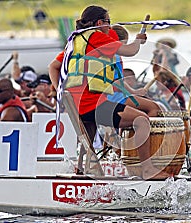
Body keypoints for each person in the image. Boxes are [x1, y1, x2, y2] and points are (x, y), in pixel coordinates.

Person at [49, 5, 169, 179]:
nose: (110, 26)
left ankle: (81, 170)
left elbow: (53, 66)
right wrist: (138, 40)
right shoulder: (98, 36)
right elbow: (131, 51)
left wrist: (61, 92)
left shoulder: (75, 41)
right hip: (93, 105)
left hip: (78, 107)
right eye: (108, 22)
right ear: (99, 23)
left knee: (88, 135)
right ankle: (147, 169)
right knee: (142, 121)